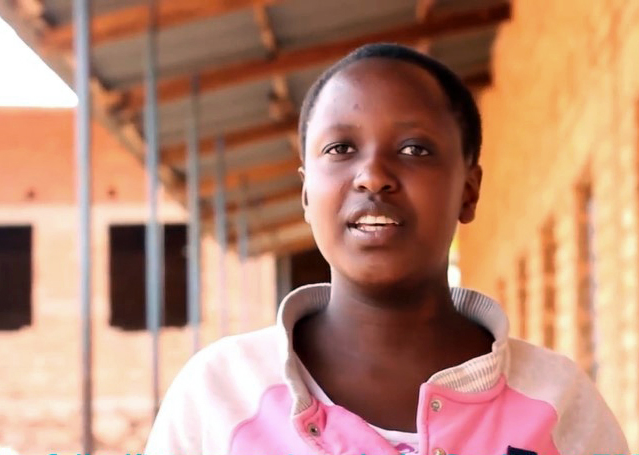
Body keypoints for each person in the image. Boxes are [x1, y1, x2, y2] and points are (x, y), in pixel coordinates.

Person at [144, 43, 628, 455]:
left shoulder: (558, 402)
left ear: (468, 191)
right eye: (340, 150)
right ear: (307, 195)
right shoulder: (220, 396)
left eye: (415, 149)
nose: (373, 176)